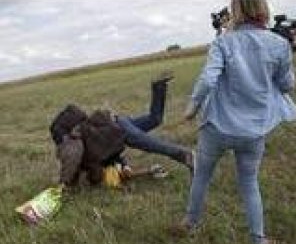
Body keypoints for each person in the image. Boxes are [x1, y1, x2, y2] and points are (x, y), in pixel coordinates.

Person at [176, 0, 296, 244]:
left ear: (236, 11)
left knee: (201, 176)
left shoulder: (222, 42)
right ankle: (259, 241)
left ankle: (190, 223)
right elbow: (287, 86)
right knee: (249, 182)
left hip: (216, 127)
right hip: (254, 131)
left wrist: (192, 108)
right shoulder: (279, 44)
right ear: (263, 9)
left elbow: (208, 79)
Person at [51, 72, 193, 189]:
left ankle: (185, 155)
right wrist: (124, 166)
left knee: (151, 144)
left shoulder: (74, 146)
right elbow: (111, 152)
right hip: (116, 123)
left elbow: (73, 156)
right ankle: (158, 87)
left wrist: (63, 184)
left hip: (119, 131)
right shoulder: (91, 143)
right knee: (154, 119)